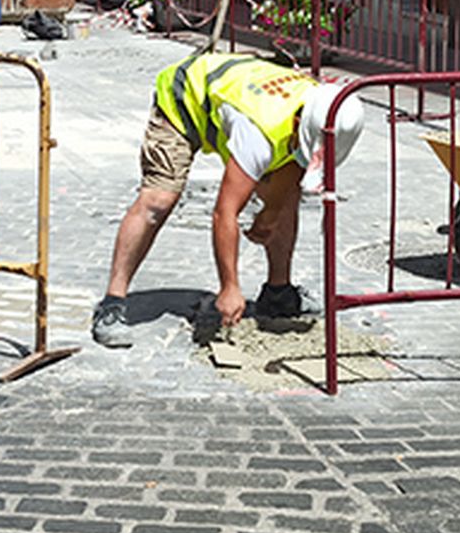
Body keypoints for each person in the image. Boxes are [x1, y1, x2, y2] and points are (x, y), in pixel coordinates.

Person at [91, 53, 366, 348]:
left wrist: (271, 212)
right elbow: (225, 213)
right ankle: (112, 303)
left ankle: (278, 293)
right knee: (158, 200)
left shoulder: (321, 110)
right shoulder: (259, 131)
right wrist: (230, 288)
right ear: (300, 122)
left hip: (235, 103)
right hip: (183, 98)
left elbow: (294, 169)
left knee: (286, 202)